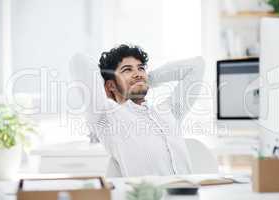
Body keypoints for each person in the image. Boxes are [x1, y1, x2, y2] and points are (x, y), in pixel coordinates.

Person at [70, 44, 205, 177]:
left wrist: (146, 80)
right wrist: (114, 86)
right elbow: (78, 61)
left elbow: (197, 65)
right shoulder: (107, 117)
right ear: (110, 85)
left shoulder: (169, 111)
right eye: (127, 70)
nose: (137, 74)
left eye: (141, 68)